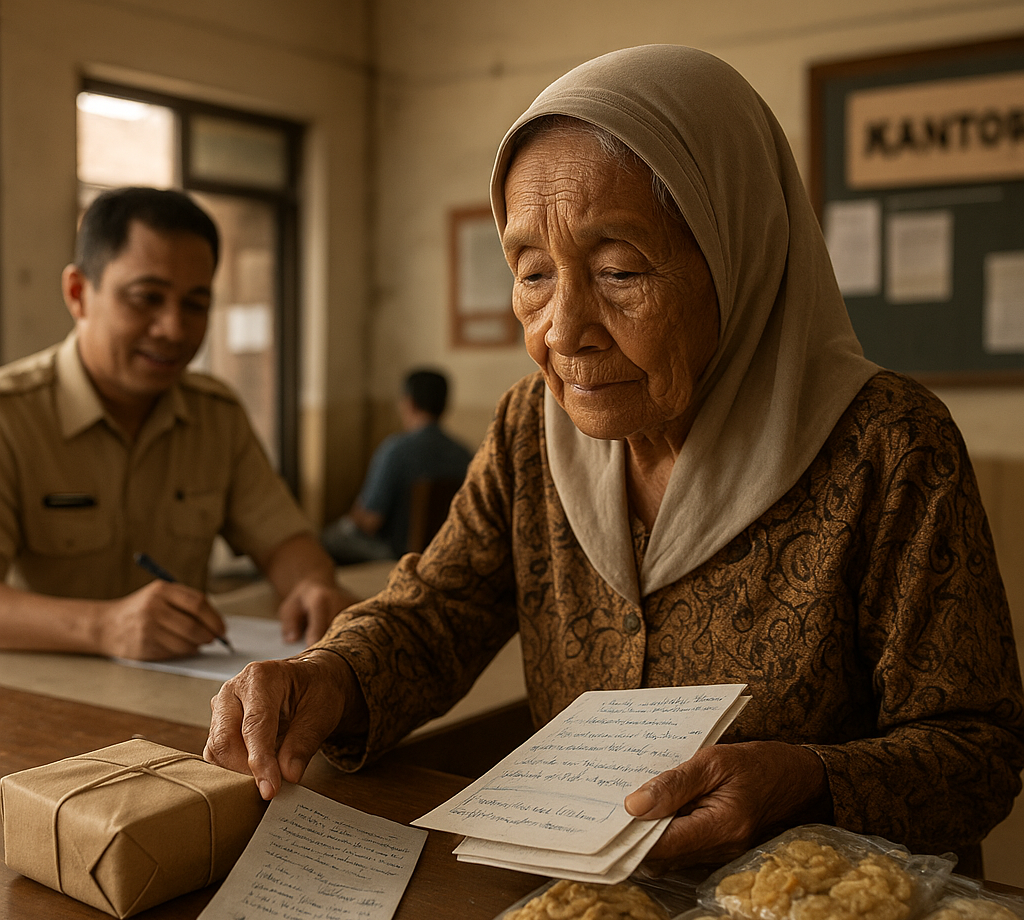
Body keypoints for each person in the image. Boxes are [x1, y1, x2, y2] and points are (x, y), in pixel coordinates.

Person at [204, 46, 1024, 873]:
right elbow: (436, 615)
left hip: (819, 919)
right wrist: (329, 676)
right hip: (584, 912)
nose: (564, 330)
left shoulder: (887, 446)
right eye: (532, 274)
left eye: (620, 270)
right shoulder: (531, 430)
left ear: (738, 253)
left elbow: (977, 749)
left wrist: (806, 783)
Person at [0, 187, 354, 661]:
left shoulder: (215, 416)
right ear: (79, 293)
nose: (173, 329)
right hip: (42, 695)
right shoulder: (11, 417)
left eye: (195, 304)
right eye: (146, 298)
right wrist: (103, 627)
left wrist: (312, 585)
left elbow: (283, 539)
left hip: (186, 691)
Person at [321, 369, 473, 563]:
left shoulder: (395, 450)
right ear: (444, 405)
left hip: (397, 553)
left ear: (409, 403)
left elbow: (370, 521)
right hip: (445, 551)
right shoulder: (464, 454)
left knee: (325, 541)